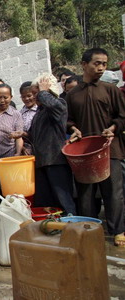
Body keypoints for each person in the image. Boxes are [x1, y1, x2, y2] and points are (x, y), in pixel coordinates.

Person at [66, 48, 125, 247]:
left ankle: (118, 231)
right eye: (96, 63)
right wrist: (73, 129)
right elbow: (67, 120)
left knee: (113, 192)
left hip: (111, 149)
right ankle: (90, 230)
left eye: (104, 64)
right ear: (84, 64)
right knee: (86, 194)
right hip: (84, 153)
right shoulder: (72, 94)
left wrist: (114, 127)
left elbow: (122, 116)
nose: (101, 68)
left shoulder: (111, 90)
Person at [28, 74, 77, 215]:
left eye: (37, 93)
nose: (34, 97)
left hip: (55, 160)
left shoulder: (59, 103)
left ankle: (71, 227)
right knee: (46, 202)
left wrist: (43, 91)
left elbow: (53, 105)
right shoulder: (40, 112)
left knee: (63, 199)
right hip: (42, 161)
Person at [19, 81, 37, 154]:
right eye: (23, 97)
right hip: (25, 151)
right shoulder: (20, 114)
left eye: (29, 96)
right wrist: (21, 147)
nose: (26, 99)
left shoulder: (40, 111)